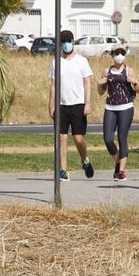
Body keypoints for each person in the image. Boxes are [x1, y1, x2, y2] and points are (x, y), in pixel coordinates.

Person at [49, 29, 94, 182]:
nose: (66, 44)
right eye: (63, 42)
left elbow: (87, 83)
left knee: (78, 139)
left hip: (78, 105)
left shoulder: (82, 61)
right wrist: (51, 105)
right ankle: (63, 170)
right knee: (62, 138)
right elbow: (53, 85)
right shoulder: (56, 62)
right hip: (62, 105)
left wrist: (88, 103)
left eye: (68, 41)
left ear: (73, 42)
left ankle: (84, 160)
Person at [98, 46, 139, 181]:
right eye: (117, 53)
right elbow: (101, 92)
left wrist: (134, 82)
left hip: (126, 107)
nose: (120, 55)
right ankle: (117, 161)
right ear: (112, 55)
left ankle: (121, 171)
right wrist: (101, 83)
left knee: (122, 138)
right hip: (110, 107)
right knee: (108, 139)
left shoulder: (129, 70)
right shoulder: (107, 71)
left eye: (122, 53)